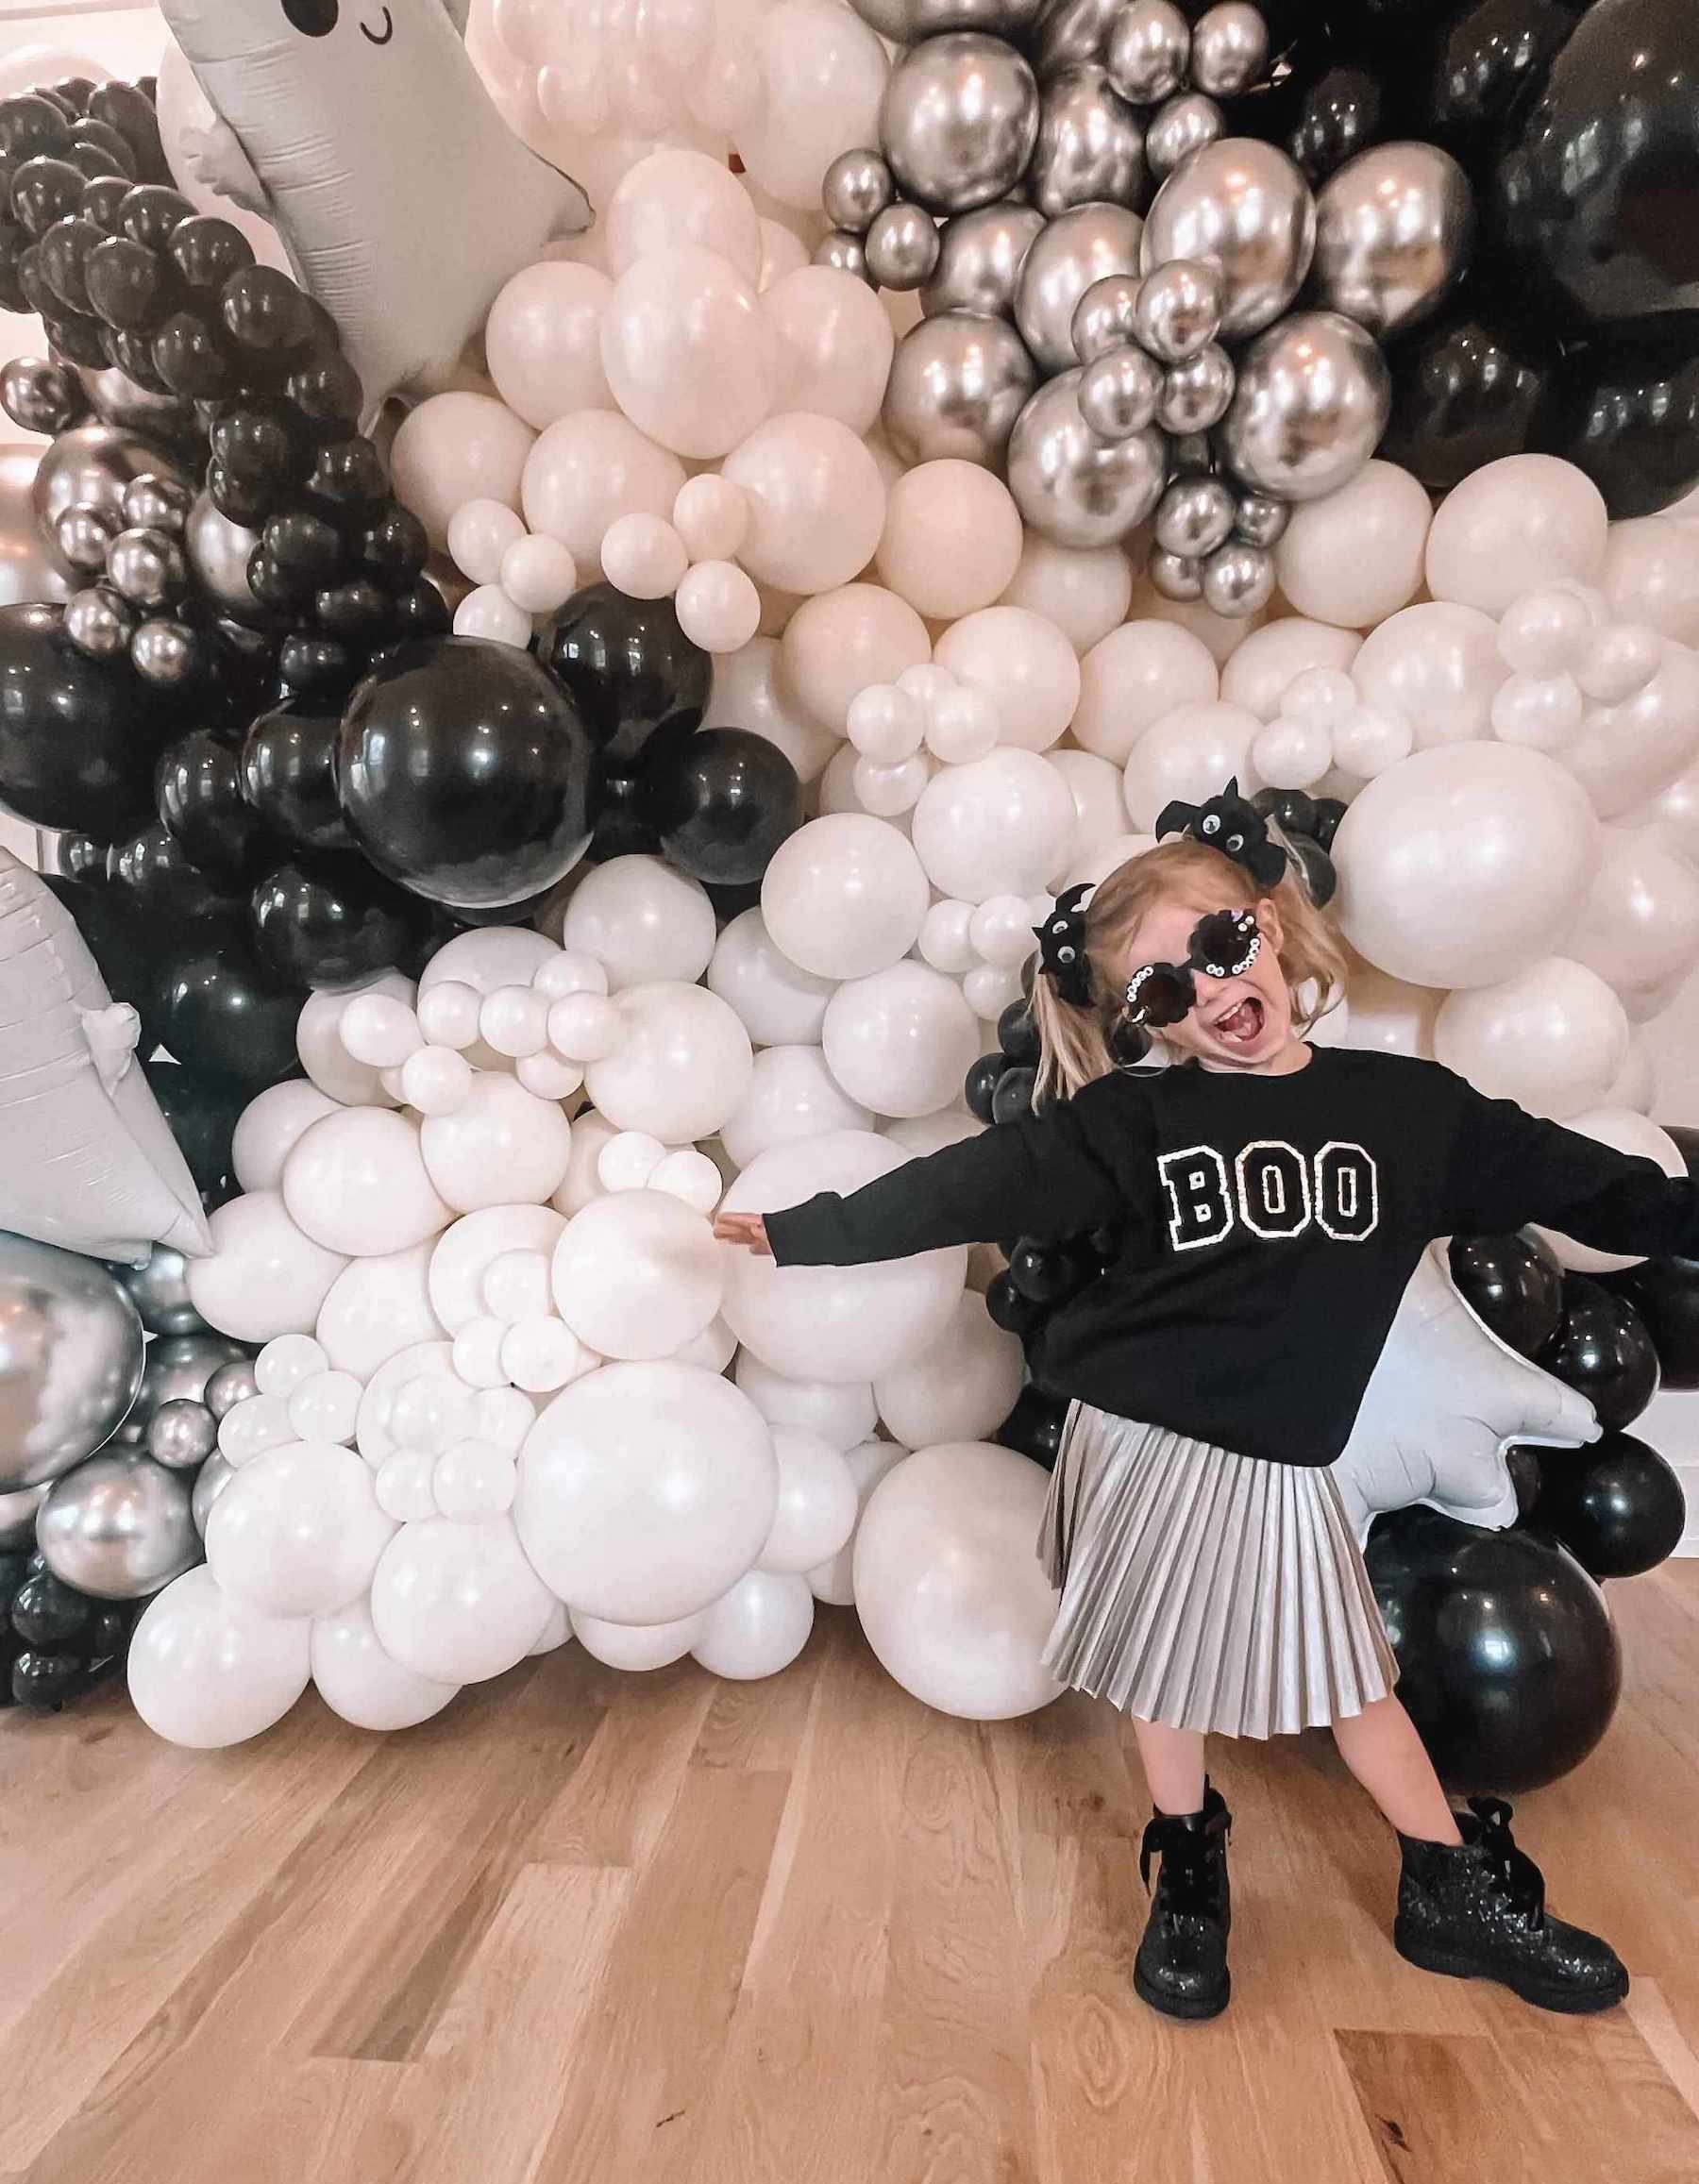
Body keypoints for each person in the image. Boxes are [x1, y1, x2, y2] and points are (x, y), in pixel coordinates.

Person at [715, 783, 1699, 2025]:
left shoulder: (1410, 1116)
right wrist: (810, 1232)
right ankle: (1191, 1862)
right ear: (1147, 1023)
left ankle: (1444, 1888)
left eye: (1221, 947)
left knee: (1350, 1682)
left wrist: (1682, 1215)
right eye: (1164, 992)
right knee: (1166, 1678)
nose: (1212, 994)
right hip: (1144, 1438)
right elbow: (968, 1186)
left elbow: (1590, 1184)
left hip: (1283, 1457)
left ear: (1270, 926)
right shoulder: (1137, 1121)